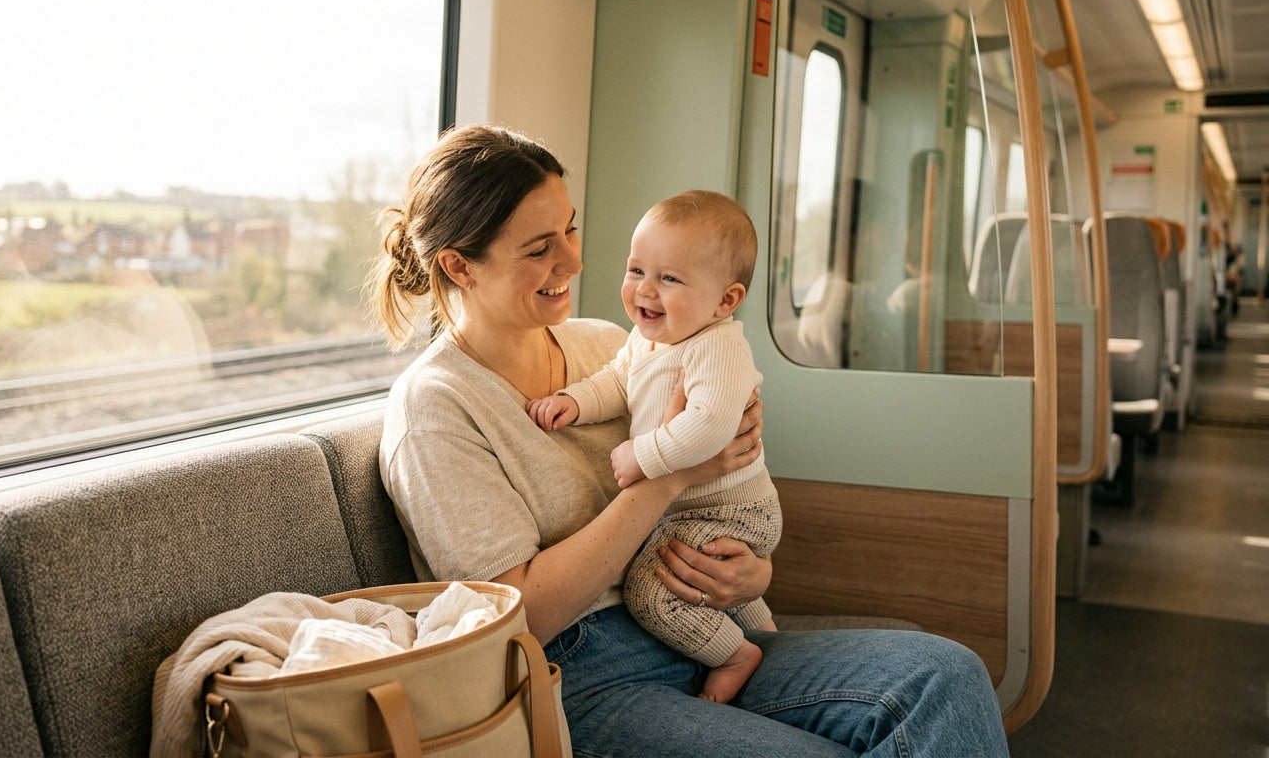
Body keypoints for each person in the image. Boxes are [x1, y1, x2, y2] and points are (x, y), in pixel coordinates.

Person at [372, 123, 1009, 756]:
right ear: (460, 266)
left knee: (945, 677)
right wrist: (668, 478)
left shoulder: (609, 342)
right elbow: (520, 617)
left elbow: (720, 474)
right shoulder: (437, 407)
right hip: (579, 676)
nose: (572, 260)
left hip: (698, 622)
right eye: (539, 248)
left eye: (570, 229)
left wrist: (749, 574)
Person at [526, 190, 780, 704]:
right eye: (636, 270)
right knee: (690, 569)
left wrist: (645, 457)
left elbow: (711, 426)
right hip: (693, 507)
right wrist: (574, 401)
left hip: (733, 510)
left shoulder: (719, 347)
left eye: (669, 278)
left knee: (653, 588)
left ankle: (735, 653)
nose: (645, 290)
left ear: (725, 301)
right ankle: (762, 635)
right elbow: (619, 382)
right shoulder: (647, 340)